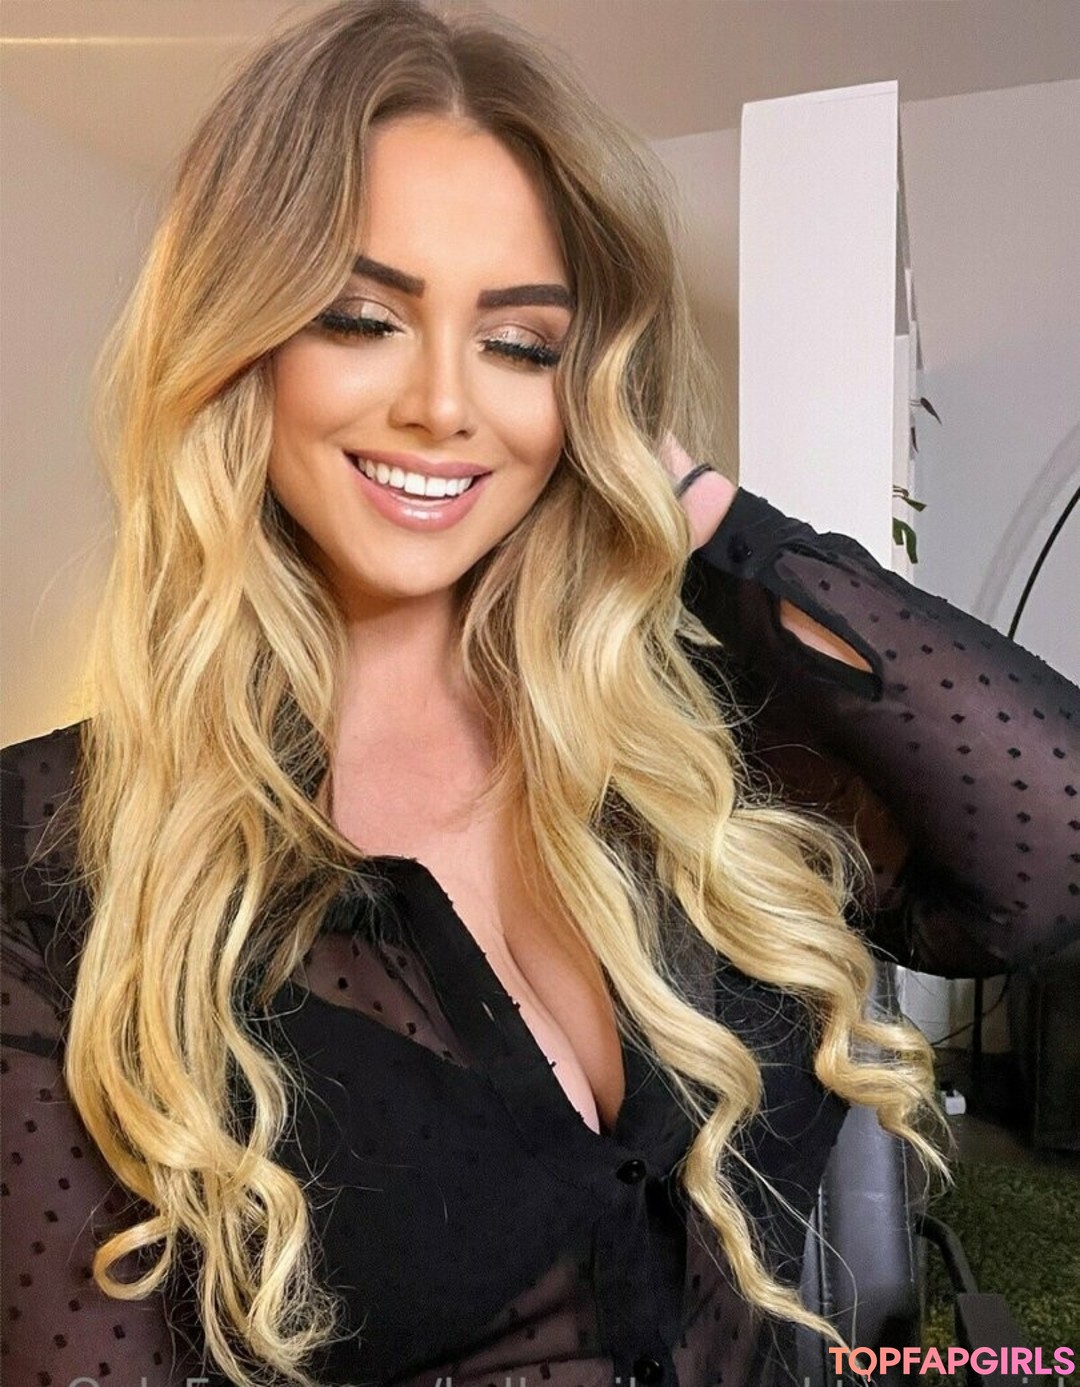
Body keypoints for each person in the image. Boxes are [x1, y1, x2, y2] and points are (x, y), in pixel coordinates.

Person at [2, 3, 1078, 1385]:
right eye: (362, 318)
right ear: (239, 343)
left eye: (520, 343)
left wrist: (692, 506)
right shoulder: (56, 860)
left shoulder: (692, 746)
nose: (446, 405)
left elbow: (1051, 849)